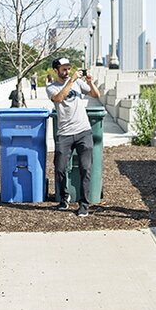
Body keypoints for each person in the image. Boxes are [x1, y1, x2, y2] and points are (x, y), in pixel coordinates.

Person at [46, 58, 100, 217]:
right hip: (64, 134)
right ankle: (64, 197)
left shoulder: (77, 83)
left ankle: (84, 204)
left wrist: (90, 83)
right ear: (55, 71)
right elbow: (59, 98)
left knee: (85, 169)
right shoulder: (51, 87)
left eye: (68, 69)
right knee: (60, 168)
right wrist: (72, 80)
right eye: (63, 69)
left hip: (84, 131)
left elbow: (96, 95)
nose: (67, 72)